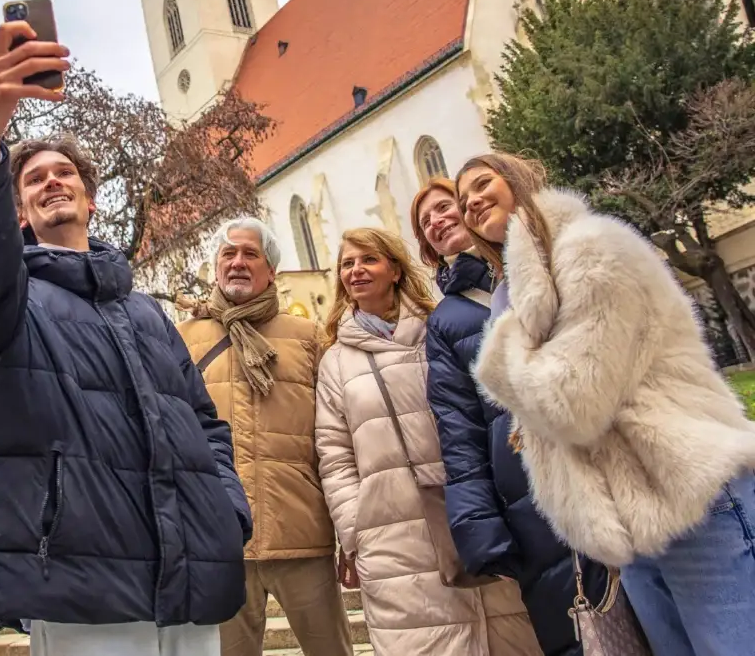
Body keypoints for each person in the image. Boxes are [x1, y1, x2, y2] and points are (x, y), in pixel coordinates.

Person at [0, 20, 251, 656]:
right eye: (33, 179)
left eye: (64, 173)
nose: (51, 180)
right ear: (17, 211)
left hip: (188, 572)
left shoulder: (146, 312)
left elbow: (205, 424)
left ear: (91, 199)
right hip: (80, 579)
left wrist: (224, 510)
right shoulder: (10, 299)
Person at [456, 152, 755, 656]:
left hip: (693, 495)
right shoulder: (523, 292)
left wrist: (500, 351)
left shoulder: (591, 248)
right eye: (463, 201)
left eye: (483, 184)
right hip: (633, 528)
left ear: (520, 180)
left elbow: (572, 403)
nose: (472, 202)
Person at [315, 227, 540, 656]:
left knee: (510, 635)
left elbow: (483, 410)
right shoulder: (335, 362)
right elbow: (334, 454)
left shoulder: (439, 327)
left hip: (471, 509)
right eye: (348, 264)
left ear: (395, 270)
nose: (357, 271)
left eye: (368, 260)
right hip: (391, 534)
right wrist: (355, 529)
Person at [414, 179, 604, 656]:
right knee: (579, 628)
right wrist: (480, 526)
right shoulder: (447, 320)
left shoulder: (542, 267)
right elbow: (459, 430)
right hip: (527, 489)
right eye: (425, 222)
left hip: (599, 458)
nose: (438, 220)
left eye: (445, 207)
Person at [178, 218, 352, 656]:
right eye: (228, 254)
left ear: (271, 270)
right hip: (220, 538)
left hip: (303, 534)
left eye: (250, 254)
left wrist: (348, 528)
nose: (238, 262)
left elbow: (337, 436)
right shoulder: (181, 340)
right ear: (215, 267)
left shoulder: (309, 338)